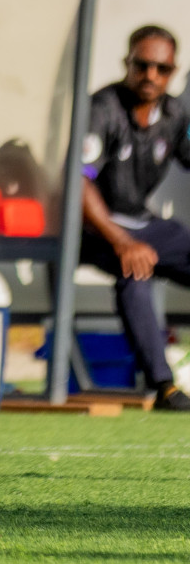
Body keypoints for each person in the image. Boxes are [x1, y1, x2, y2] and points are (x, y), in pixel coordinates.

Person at [80, 25, 190, 410]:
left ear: (173, 72)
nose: (151, 76)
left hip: (143, 224)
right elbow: (78, 183)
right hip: (95, 228)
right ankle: (164, 387)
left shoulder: (175, 113)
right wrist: (121, 240)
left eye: (162, 69)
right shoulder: (103, 108)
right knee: (136, 269)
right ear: (127, 63)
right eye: (142, 65)